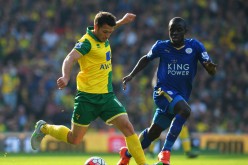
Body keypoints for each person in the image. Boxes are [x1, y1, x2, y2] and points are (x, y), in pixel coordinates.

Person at [30, 11, 147, 165]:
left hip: (107, 97)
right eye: (105, 32)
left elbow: (110, 27)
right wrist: (65, 76)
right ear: (96, 27)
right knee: (74, 139)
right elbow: (69, 58)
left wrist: (123, 21)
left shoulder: (104, 33)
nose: (107, 36)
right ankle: (43, 128)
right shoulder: (86, 43)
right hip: (87, 99)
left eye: (110, 32)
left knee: (128, 127)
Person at [118, 17, 217, 165]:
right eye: (172, 30)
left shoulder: (195, 46)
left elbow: (211, 69)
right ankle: (165, 153)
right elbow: (146, 58)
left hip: (179, 96)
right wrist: (131, 75)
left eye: (179, 30)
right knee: (185, 111)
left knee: (153, 133)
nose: (175, 33)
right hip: (162, 92)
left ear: (185, 31)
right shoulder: (161, 46)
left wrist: (210, 69)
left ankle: (126, 154)